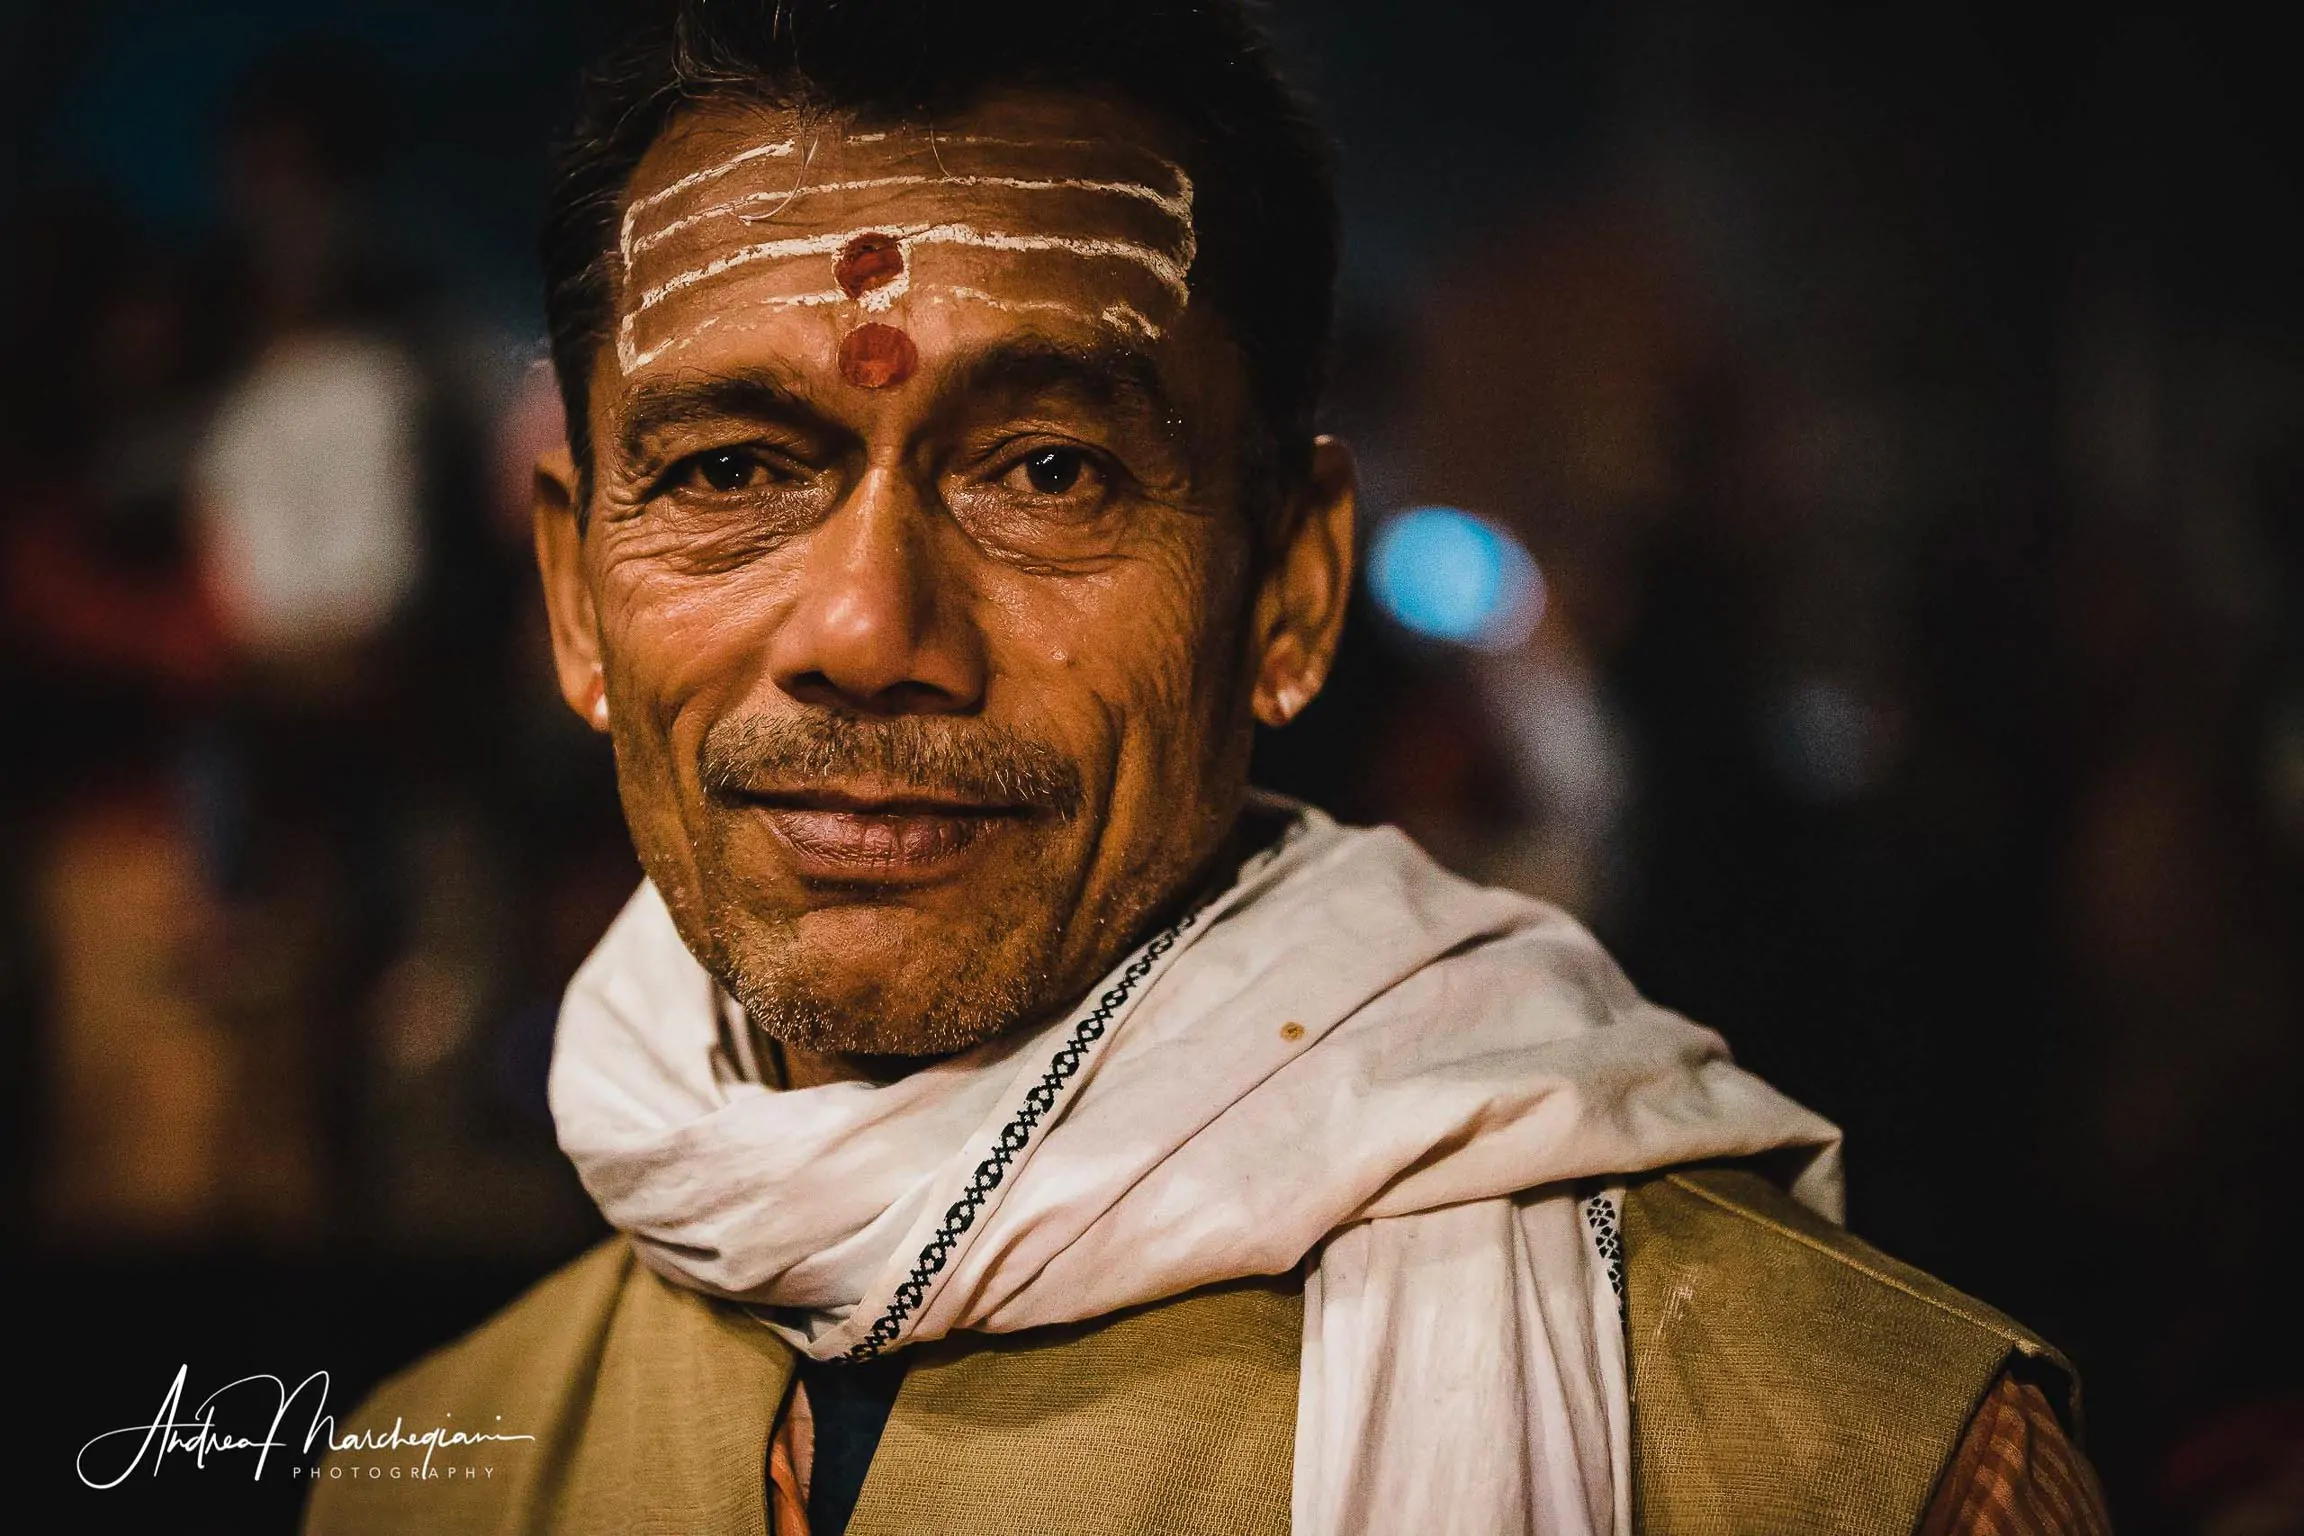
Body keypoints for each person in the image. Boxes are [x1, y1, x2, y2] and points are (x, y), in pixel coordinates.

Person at [307, 3, 2108, 1532]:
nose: (863, 626)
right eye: (727, 473)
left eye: (1049, 470)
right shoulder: (420, 1471)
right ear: (572, 594)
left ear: (1289, 587)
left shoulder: (1841, 1461)